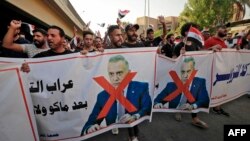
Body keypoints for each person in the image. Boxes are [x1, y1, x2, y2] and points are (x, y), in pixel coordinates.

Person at [81, 55, 152, 141]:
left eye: (119, 73)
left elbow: (147, 108)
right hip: (115, 137)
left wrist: (135, 116)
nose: (115, 78)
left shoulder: (141, 87)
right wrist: (90, 128)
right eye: (111, 74)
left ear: (129, 73)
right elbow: (89, 124)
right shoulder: (102, 96)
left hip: (136, 133)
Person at [154, 57, 210, 128]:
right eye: (183, 72)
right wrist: (157, 104)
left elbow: (205, 100)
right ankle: (178, 110)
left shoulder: (200, 82)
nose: (185, 76)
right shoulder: (171, 86)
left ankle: (195, 118)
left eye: (188, 71)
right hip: (175, 112)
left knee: (196, 97)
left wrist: (193, 106)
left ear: (193, 71)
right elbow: (157, 100)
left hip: (191, 105)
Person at [204, 24, 231, 116]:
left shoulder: (223, 42)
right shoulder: (210, 40)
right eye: (223, 28)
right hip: (212, 71)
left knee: (221, 88)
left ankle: (217, 107)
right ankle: (214, 106)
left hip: (222, 70)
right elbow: (201, 53)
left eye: (226, 29)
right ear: (217, 29)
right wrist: (211, 48)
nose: (225, 30)